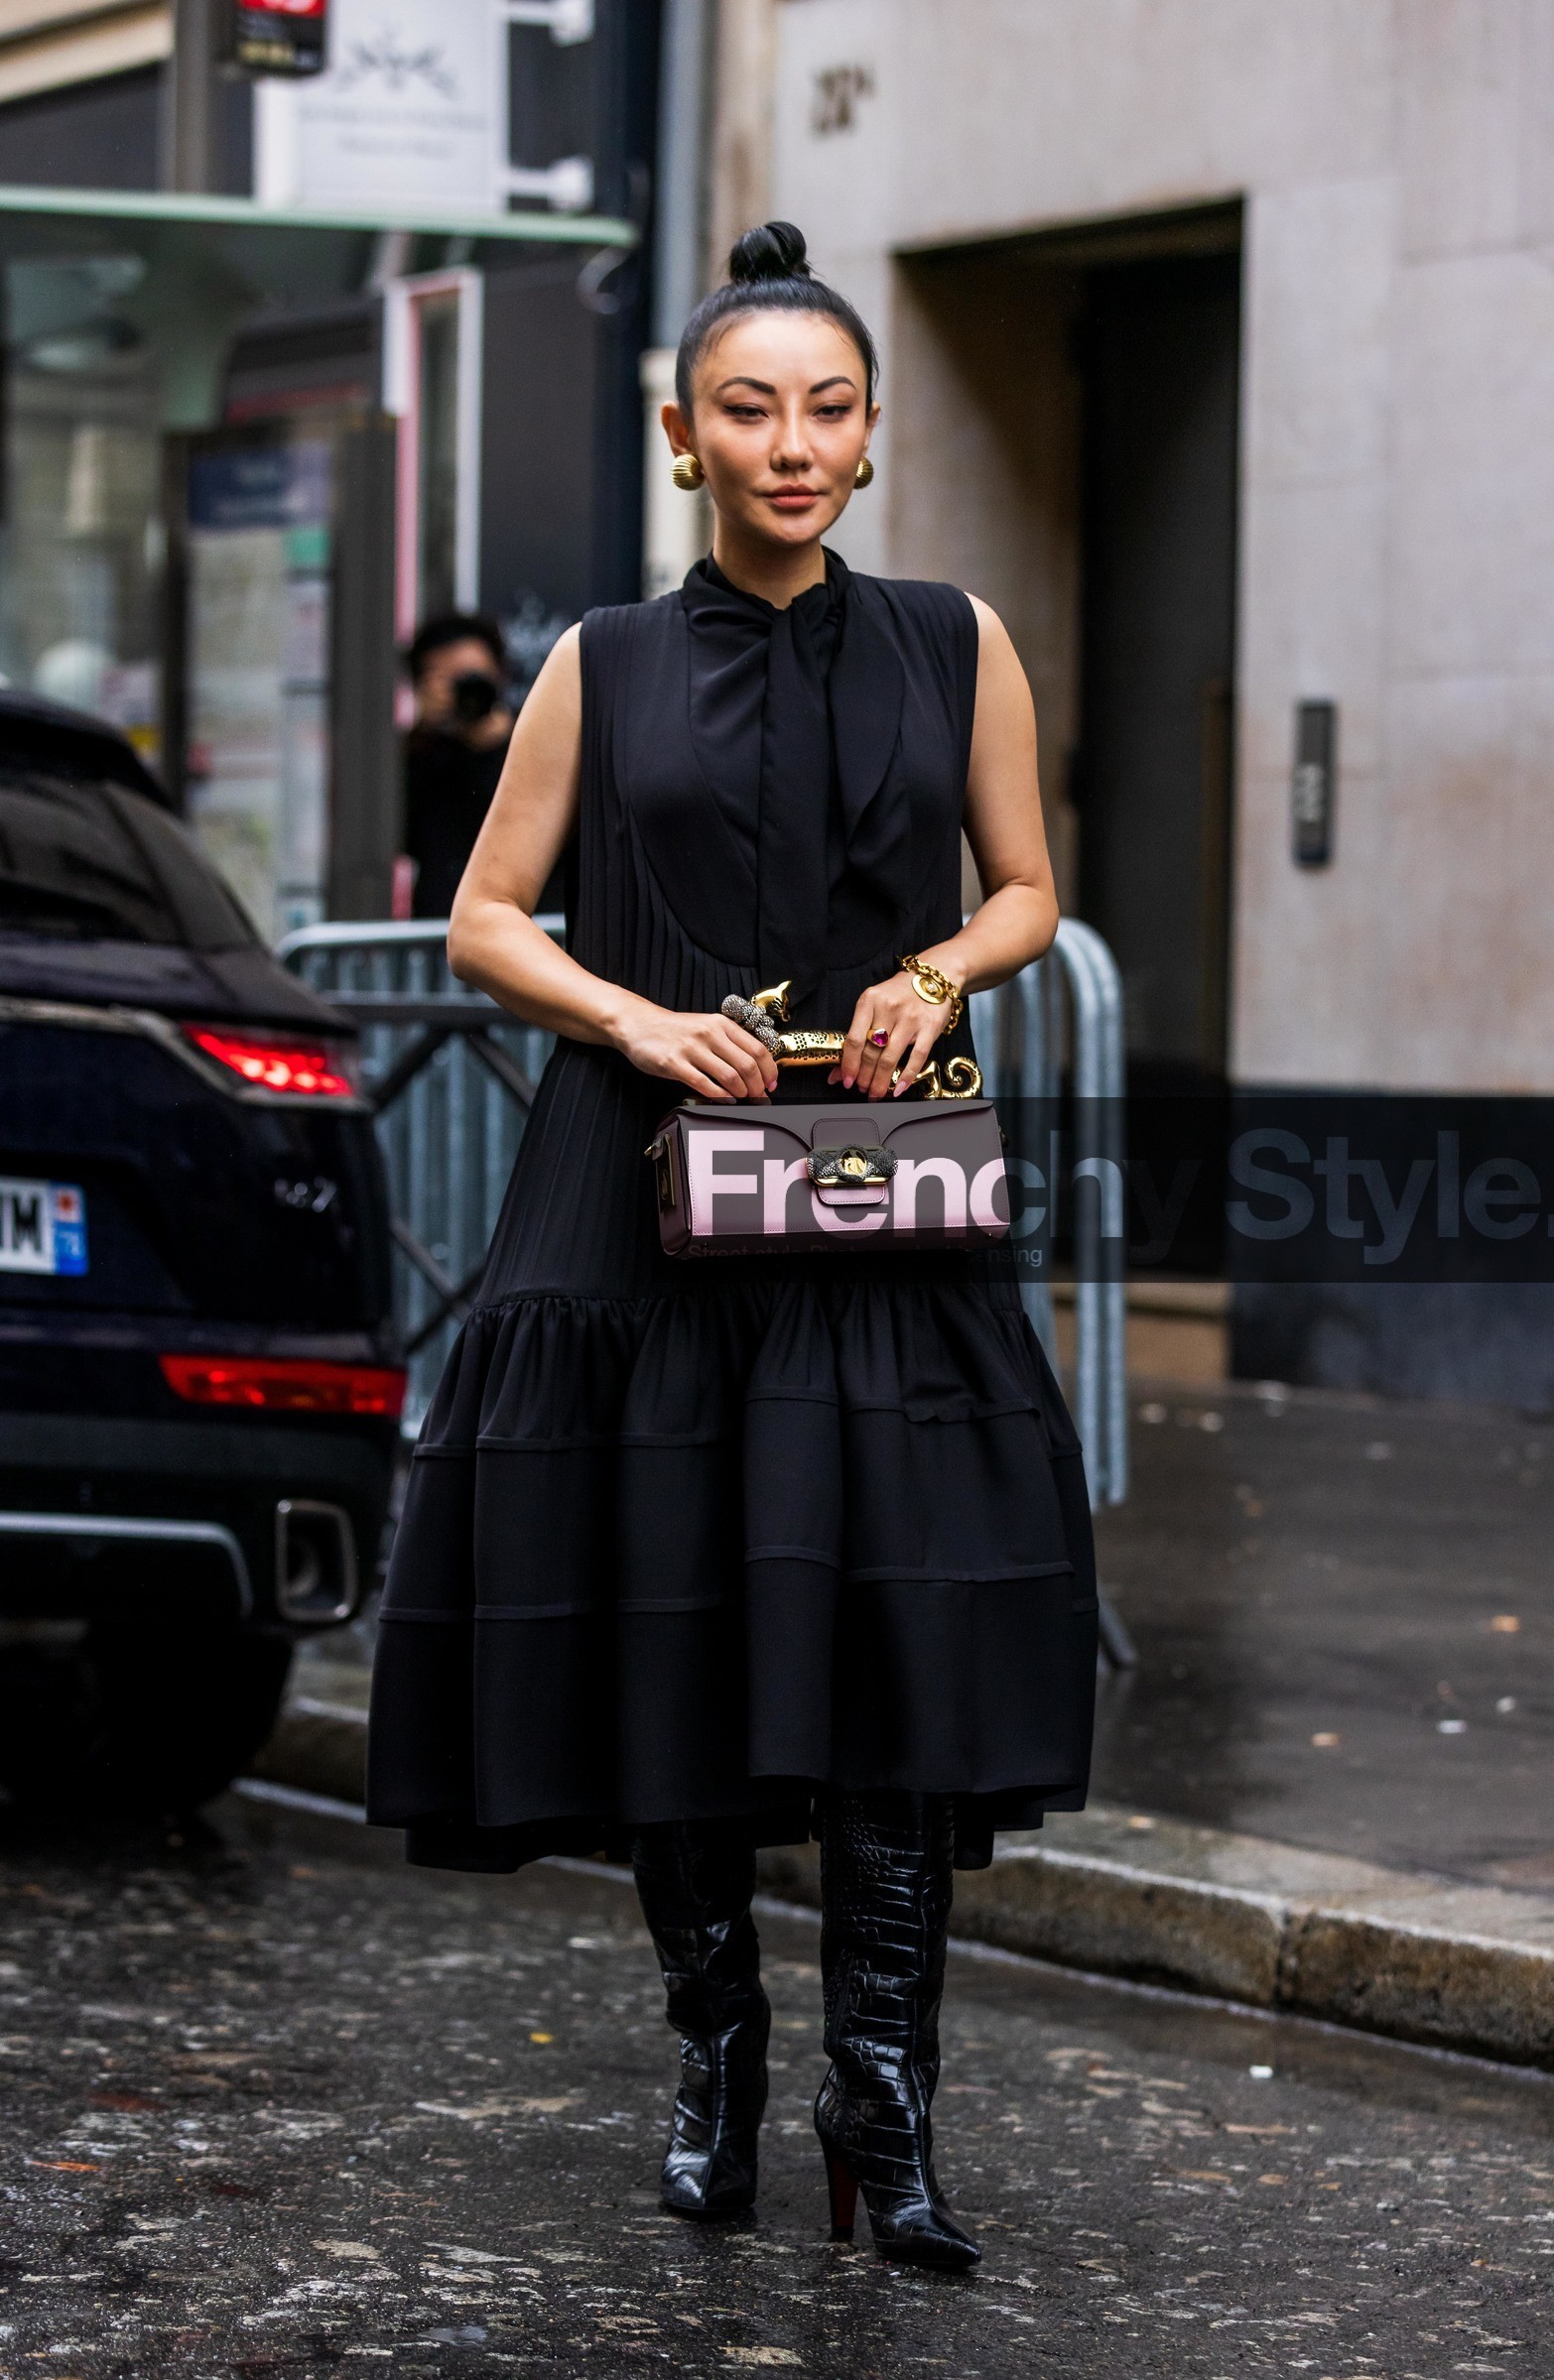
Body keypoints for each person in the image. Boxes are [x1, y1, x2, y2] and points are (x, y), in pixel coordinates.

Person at [366, 222, 1098, 2274]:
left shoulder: (957, 636)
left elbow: (1029, 882)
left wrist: (942, 968)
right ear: (680, 431)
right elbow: (484, 916)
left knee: (891, 1645)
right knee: (668, 1619)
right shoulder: (597, 655)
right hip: (631, 1197)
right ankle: (717, 2052)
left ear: (867, 440)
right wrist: (628, 1013)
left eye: (831, 408)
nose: (793, 442)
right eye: (752, 409)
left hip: (872, 1193)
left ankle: (888, 2104)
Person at [401, 612, 518, 919]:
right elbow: (394, 837)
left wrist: (492, 744)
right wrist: (423, 733)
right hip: (440, 931)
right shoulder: (422, 756)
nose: (463, 694)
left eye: (471, 678)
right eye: (448, 683)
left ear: (499, 675)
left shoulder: (532, 744)